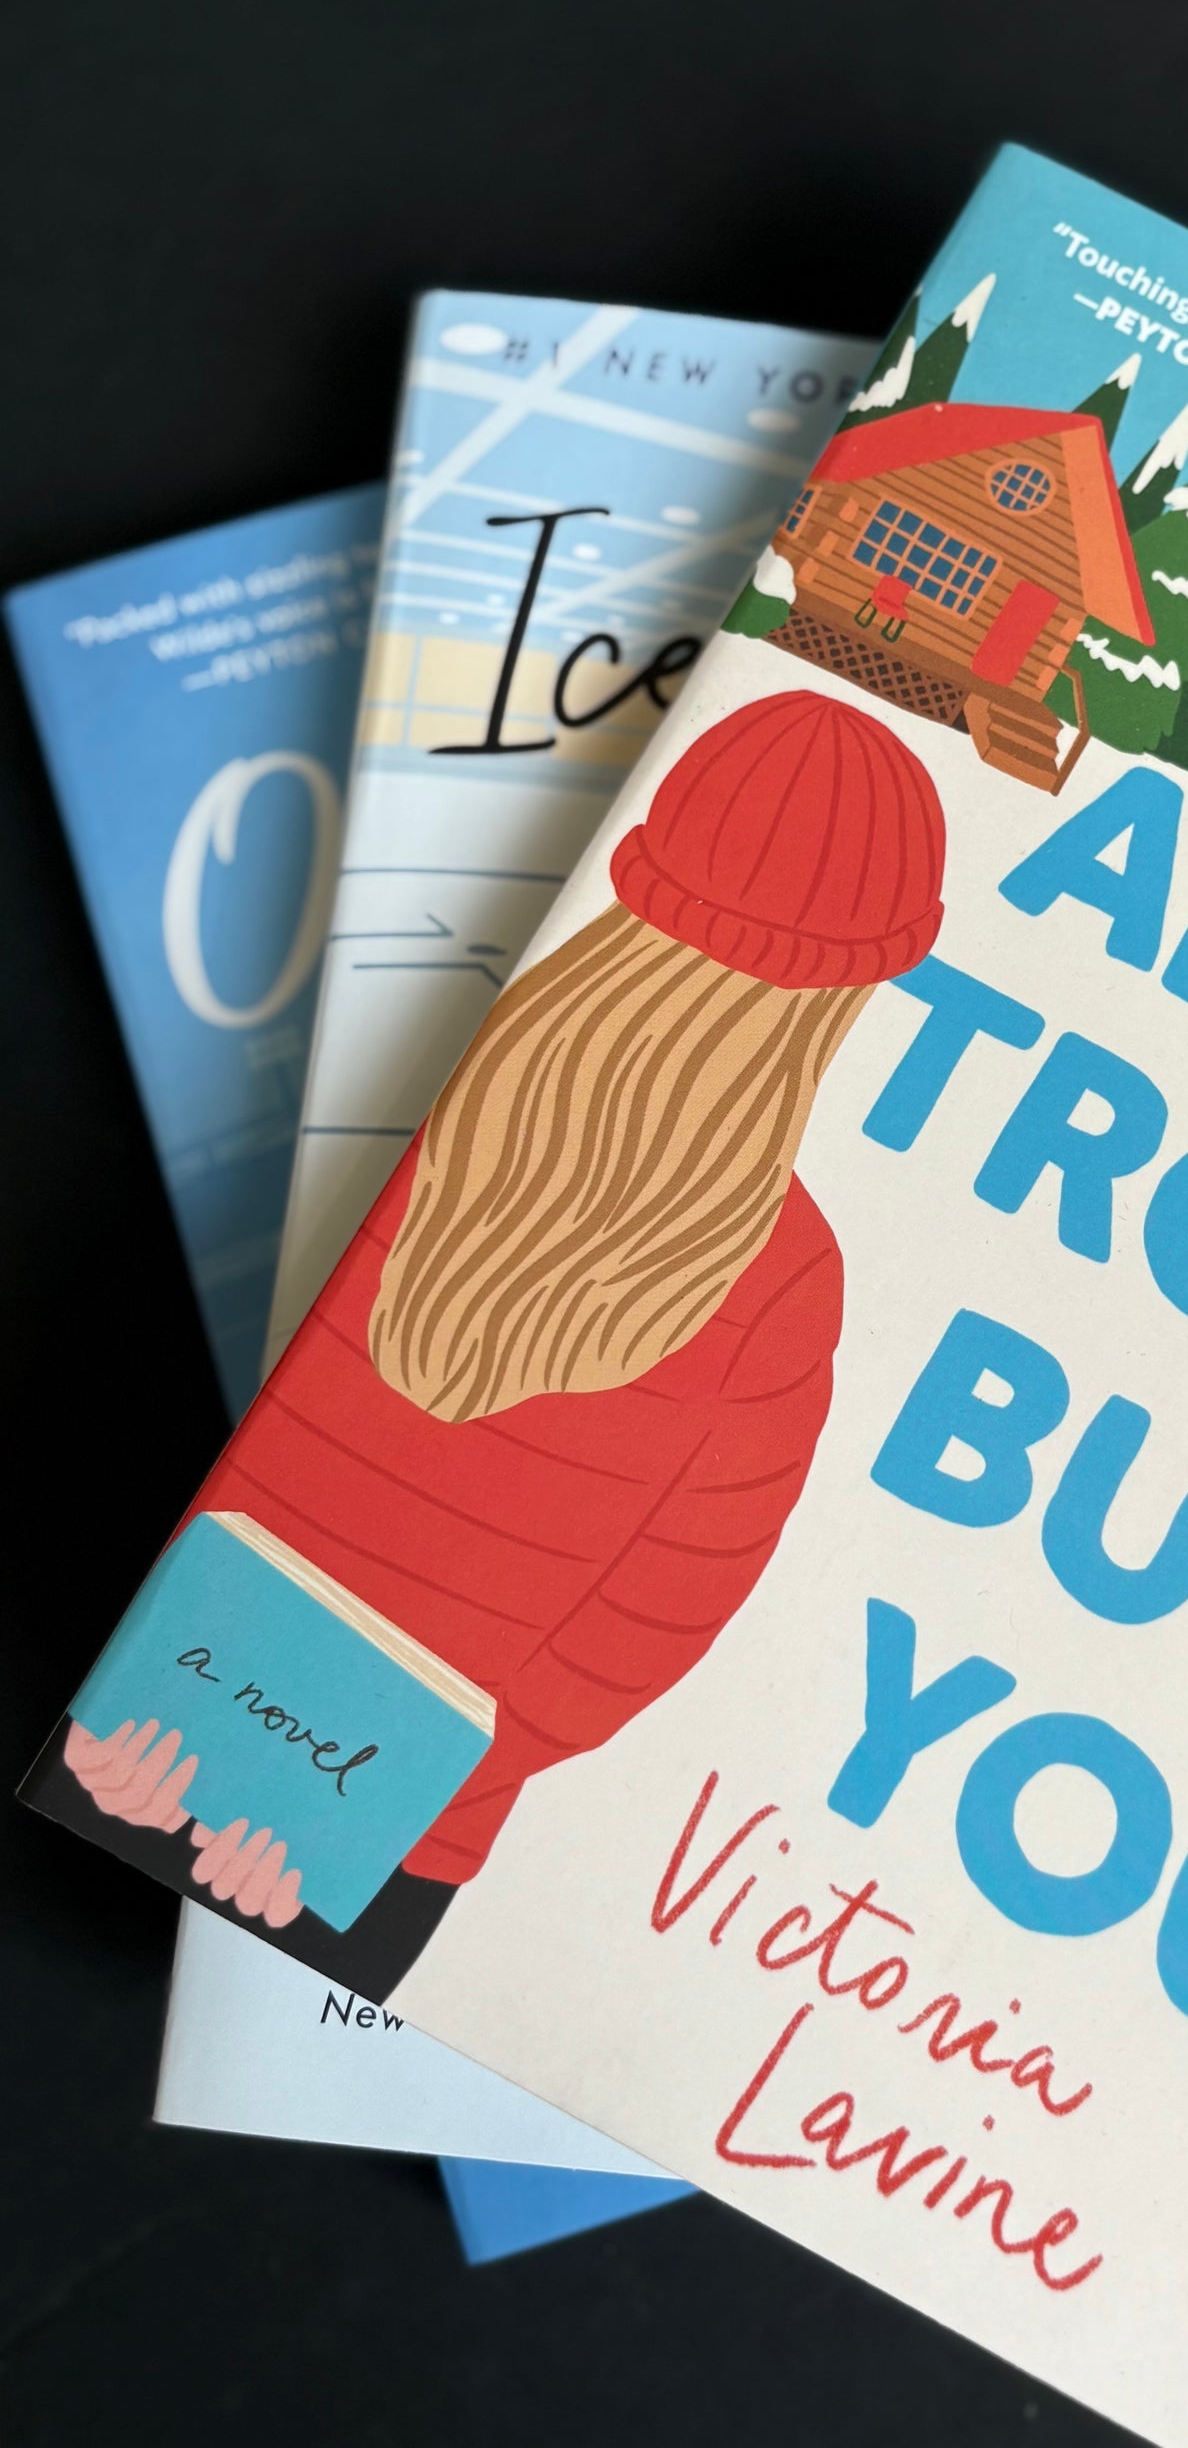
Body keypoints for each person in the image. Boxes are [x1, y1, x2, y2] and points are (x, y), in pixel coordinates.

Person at [52, 687, 949, 1996]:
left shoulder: (438, 1088)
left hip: (168, 1688)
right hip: (391, 1836)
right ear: (842, 999)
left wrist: (173, 1685)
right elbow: (646, 1628)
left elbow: (280, 1433)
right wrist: (357, 1798)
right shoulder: (784, 1277)